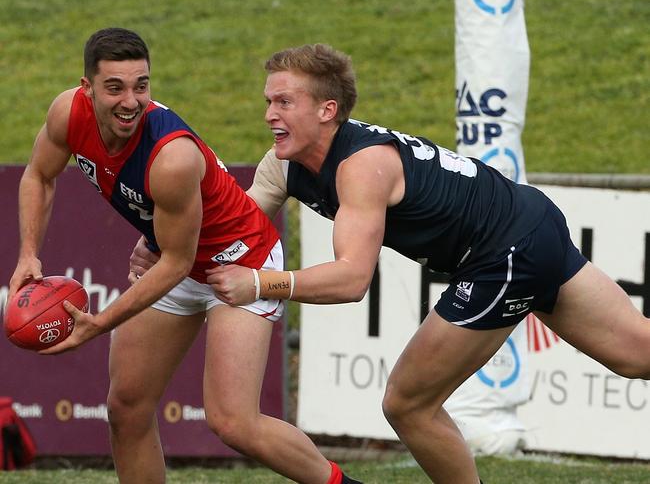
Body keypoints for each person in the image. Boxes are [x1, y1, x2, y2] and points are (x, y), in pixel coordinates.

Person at [132, 42, 650, 483]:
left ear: (327, 110)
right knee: (637, 355)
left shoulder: (361, 166)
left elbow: (352, 279)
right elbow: (236, 232)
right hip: (528, 222)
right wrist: (162, 244)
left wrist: (263, 283)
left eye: (285, 101)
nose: (270, 113)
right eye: (269, 100)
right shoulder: (285, 165)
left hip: (504, 250)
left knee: (407, 403)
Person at [7, 30, 361, 484]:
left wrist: (100, 322)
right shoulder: (67, 113)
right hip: (176, 256)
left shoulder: (172, 156)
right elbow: (39, 175)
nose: (130, 101)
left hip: (240, 260)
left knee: (233, 423)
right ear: (86, 87)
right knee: (126, 407)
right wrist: (28, 255)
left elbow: (176, 261)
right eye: (115, 87)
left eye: (142, 85)